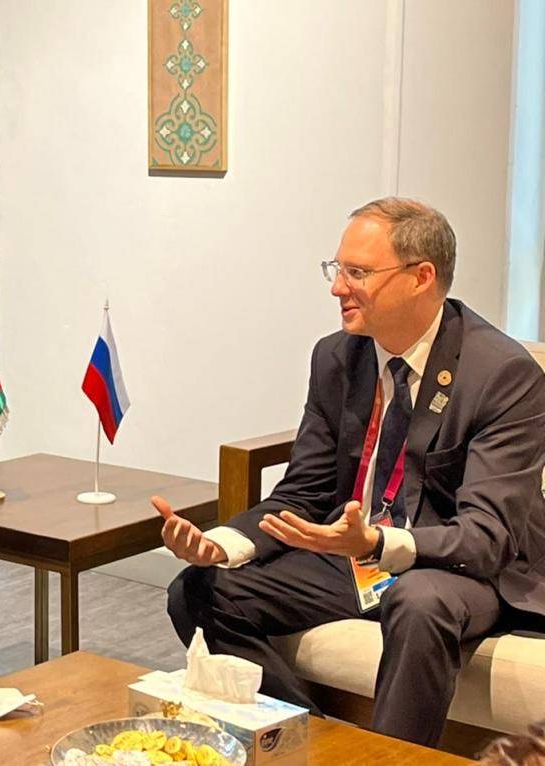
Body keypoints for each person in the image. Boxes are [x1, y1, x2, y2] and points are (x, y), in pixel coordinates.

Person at [158, 197, 545, 747]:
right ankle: (318, 746)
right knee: (199, 590)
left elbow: (486, 536)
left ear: (421, 277)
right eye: (336, 269)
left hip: (460, 567)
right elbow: (304, 491)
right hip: (358, 557)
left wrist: (379, 541)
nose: (337, 287)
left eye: (358, 273)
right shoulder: (337, 357)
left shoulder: (502, 375)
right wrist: (221, 544)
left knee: (419, 602)